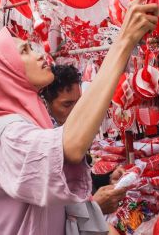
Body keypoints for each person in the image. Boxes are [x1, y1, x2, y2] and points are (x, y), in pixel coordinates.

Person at [0, 0, 159, 234]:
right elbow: (72, 146)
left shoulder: (25, 127)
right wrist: (123, 41)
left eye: (32, 47)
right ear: (3, 75)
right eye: (24, 51)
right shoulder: (9, 137)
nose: (39, 54)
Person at [41, 64, 127, 214]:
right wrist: (94, 206)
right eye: (67, 104)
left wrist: (107, 178)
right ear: (47, 103)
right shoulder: (43, 142)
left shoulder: (71, 131)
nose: (76, 110)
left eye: (79, 102)